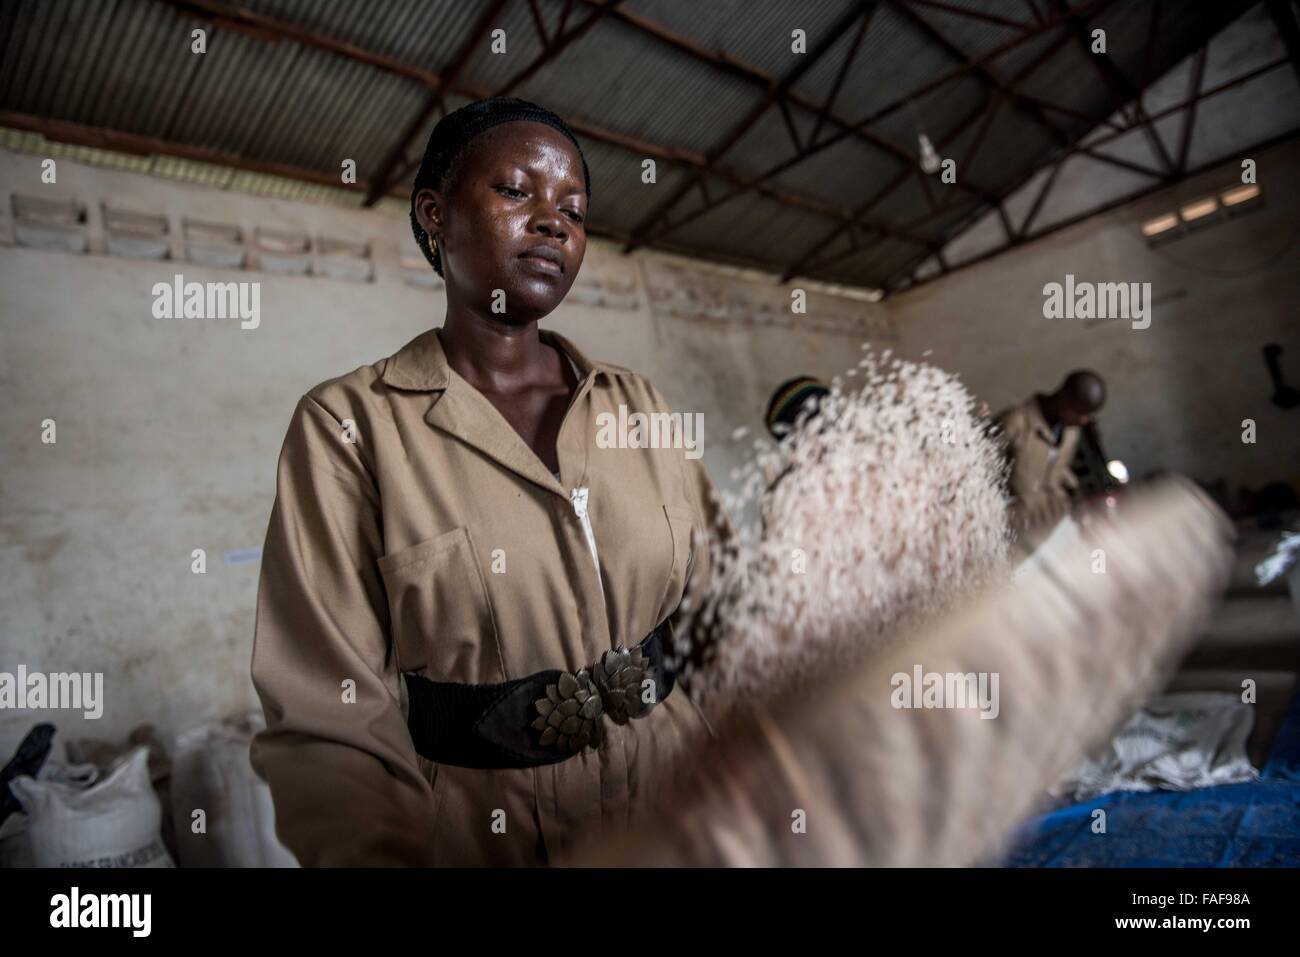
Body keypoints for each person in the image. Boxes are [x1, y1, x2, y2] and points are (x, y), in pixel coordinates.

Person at [249, 97, 725, 867]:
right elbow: (327, 714)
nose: (554, 223)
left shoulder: (638, 405)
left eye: (574, 209)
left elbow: (719, 616)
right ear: (434, 213)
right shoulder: (351, 425)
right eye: (515, 190)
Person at [992, 369, 1106, 546]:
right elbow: (978, 468)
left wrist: (1073, 489)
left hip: (1038, 531)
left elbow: (1056, 468)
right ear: (1065, 399)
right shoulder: (1016, 423)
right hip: (1001, 529)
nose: (1083, 420)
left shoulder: (1071, 433)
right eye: (1080, 412)